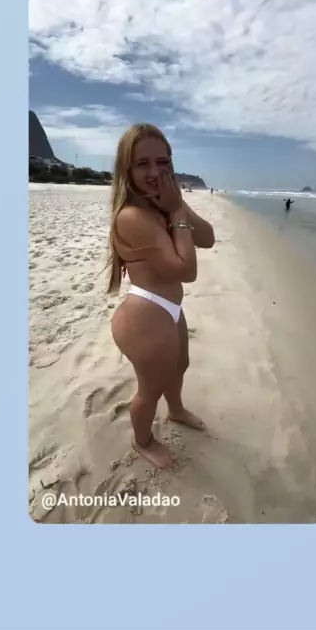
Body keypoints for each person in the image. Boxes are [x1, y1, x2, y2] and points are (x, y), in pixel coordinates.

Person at [105, 124, 215, 468]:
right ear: (127, 169)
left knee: (180, 366)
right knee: (149, 390)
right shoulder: (131, 216)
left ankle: (176, 410)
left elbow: (208, 237)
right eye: (143, 164)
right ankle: (142, 441)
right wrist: (177, 212)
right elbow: (186, 270)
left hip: (169, 309)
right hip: (145, 313)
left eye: (162, 162)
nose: (155, 172)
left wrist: (176, 205)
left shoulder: (163, 204)